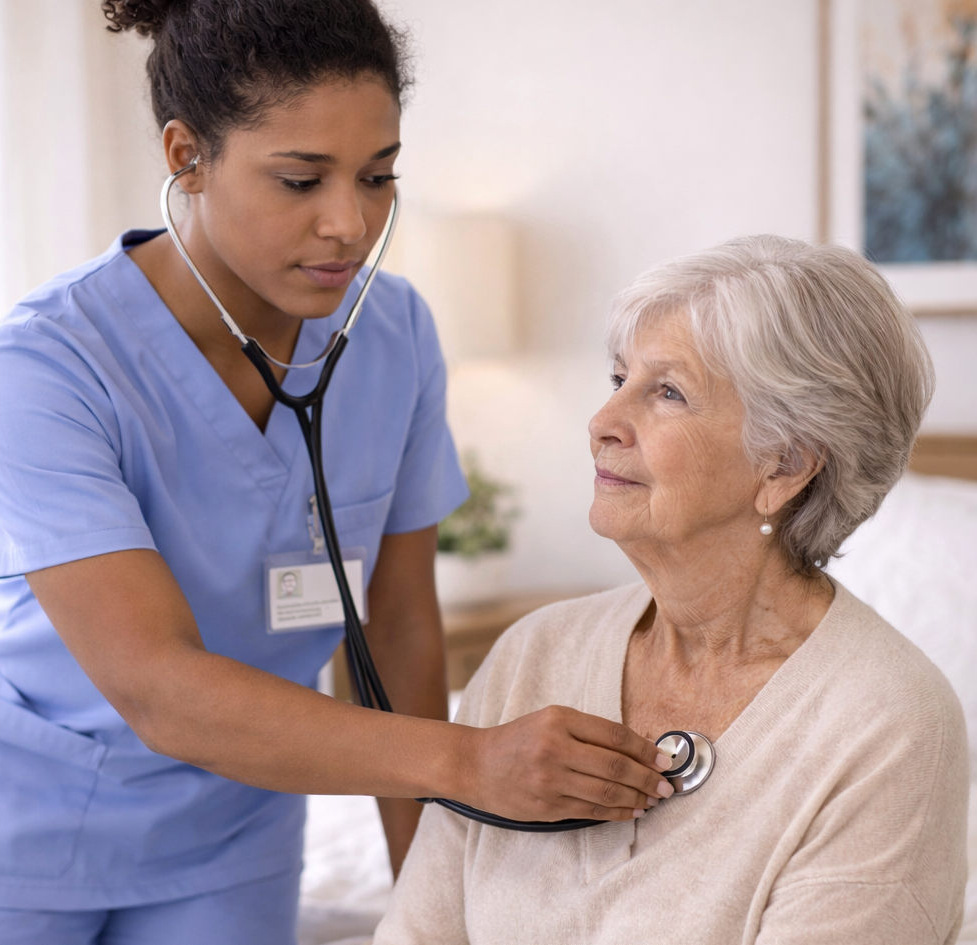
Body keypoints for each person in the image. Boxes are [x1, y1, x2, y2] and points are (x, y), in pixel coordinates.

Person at [0, 0, 671, 942]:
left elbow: (398, 625)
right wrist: (474, 761)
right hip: (20, 818)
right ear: (185, 155)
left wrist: (430, 904)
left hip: (235, 827)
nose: (350, 221)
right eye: (301, 180)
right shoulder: (43, 367)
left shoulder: (395, 336)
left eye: (378, 174)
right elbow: (159, 688)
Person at [374, 236, 970, 945]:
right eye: (618, 377)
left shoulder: (887, 726)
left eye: (667, 391)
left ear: (784, 464)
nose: (602, 424)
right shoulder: (532, 654)